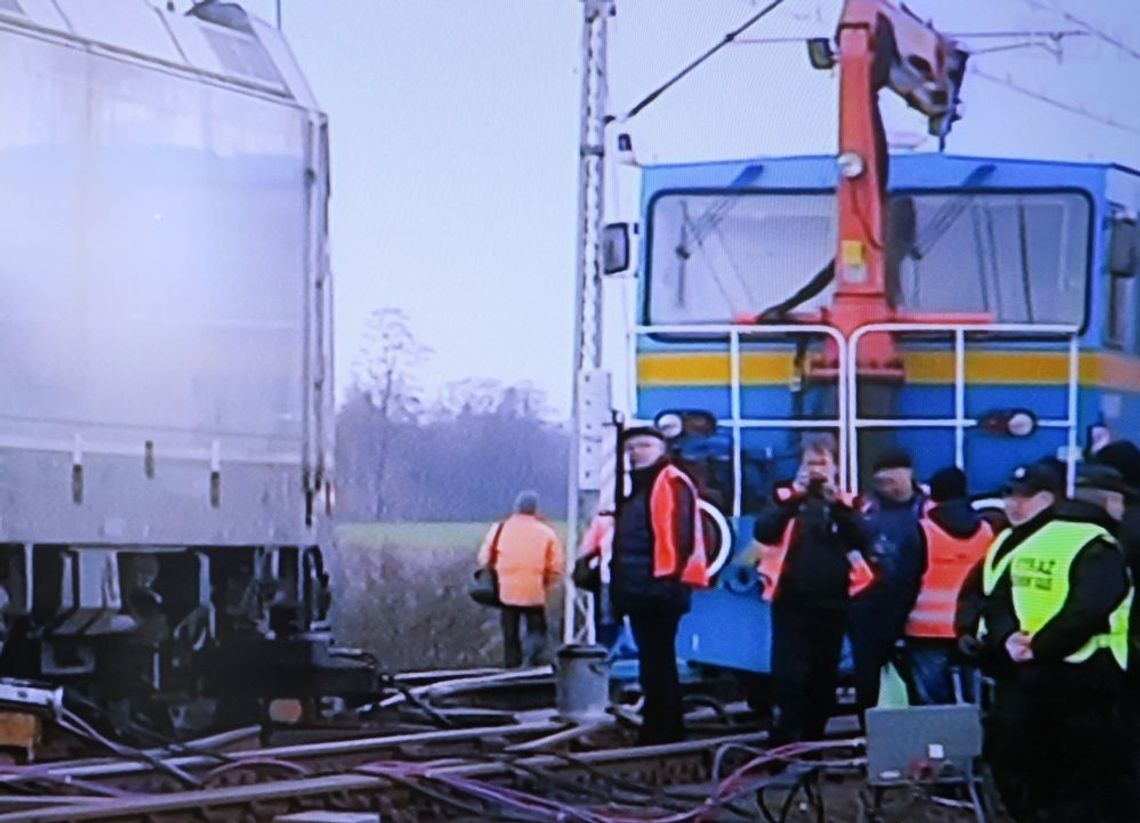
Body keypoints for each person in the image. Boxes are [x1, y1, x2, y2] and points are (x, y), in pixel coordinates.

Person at [980, 462, 1133, 822]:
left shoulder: (1047, 540)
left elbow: (996, 596)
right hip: (1068, 673)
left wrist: (1018, 643)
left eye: (1024, 497)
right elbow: (1088, 607)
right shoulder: (1091, 543)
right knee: (1075, 776)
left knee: (1045, 771)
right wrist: (1029, 643)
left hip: (1049, 674)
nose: (1014, 504)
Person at [753, 434, 873, 743]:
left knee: (823, 678)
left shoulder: (849, 501)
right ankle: (783, 743)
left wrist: (839, 508)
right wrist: (794, 497)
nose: (816, 470)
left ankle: (813, 746)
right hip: (790, 600)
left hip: (833, 602)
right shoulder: (784, 496)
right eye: (810, 463)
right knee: (788, 677)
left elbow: (865, 539)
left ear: (835, 466)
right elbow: (764, 532)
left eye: (822, 463)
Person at [610, 426, 709, 745]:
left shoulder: (668, 482)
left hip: (659, 587)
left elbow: (676, 535)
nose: (638, 451)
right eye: (633, 446)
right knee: (654, 660)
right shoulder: (637, 488)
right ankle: (661, 724)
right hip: (643, 587)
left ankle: (663, 728)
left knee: (658, 660)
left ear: (661, 448)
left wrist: (666, 581)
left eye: (645, 445)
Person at [901, 467, 993, 705]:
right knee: (976, 703)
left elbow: (903, 585)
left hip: (925, 632)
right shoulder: (988, 531)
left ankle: (940, 744)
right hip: (973, 632)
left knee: (933, 710)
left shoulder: (921, 531)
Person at [850, 447, 926, 712]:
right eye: (881, 483)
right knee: (869, 677)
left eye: (891, 481)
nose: (886, 488)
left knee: (918, 681)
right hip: (871, 607)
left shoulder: (929, 510)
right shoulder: (864, 510)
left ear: (908, 475)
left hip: (922, 609)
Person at [476, 491, 564, 668]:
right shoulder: (547, 533)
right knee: (536, 630)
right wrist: (546, 584)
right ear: (535, 509)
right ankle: (530, 662)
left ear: (516, 507)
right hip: (534, 591)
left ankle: (511, 668)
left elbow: (484, 558)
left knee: (510, 633)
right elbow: (556, 566)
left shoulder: (500, 528)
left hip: (506, 591)